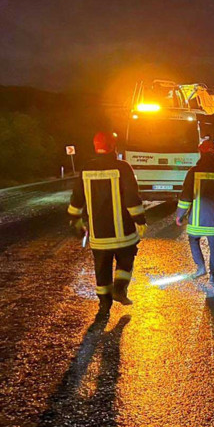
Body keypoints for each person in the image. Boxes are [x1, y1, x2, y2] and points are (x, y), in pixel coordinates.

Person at [68, 131, 147, 320]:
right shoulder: (123, 168)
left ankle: (104, 306)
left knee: (101, 268)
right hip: (124, 233)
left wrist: (75, 220)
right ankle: (120, 289)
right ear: (113, 146)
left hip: (99, 234)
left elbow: (77, 198)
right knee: (126, 260)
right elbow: (131, 197)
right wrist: (140, 220)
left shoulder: (86, 169)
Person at [176, 138, 214, 283]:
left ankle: (201, 268)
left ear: (201, 152)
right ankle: (213, 275)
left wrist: (180, 215)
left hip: (196, 220)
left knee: (193, 240)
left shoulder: (193, 172)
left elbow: (186, 197)